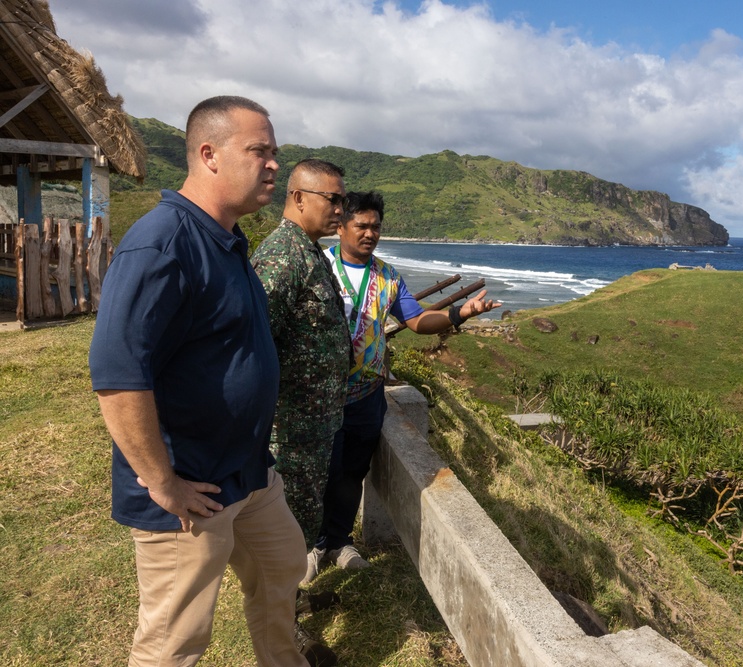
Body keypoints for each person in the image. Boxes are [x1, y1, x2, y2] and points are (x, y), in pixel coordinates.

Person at [88, 96, 319, 666]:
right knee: (175, 638)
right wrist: (162, 483)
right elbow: (118, 379)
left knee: (282, 567)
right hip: (190, 487)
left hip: (247, 472)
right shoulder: (164, 243)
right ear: (210, 155)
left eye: (275, 153)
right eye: (259, 151)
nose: (273, 165)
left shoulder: (227, 238)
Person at [303, 191, 500, 581]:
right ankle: (309, 545)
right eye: (362, 225)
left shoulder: (388, 277)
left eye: (376, 226)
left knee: (352, 471)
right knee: (318, 472)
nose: (370, 233)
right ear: (341, 226)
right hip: (320, 395)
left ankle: (339, 541)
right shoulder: (318, 267)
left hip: (365, 396)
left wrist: (460, 314)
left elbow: (417, 320)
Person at [251, 159, 352, 541]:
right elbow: (255, 341)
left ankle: (289, 598)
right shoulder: (284, 256)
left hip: (311, 427)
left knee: (302, 520)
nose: (340, 210)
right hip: (290, 431)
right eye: (332, 199)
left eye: (342, 200)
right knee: (285, 527)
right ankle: (282, 600)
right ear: (298, 198)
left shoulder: (308, 252)